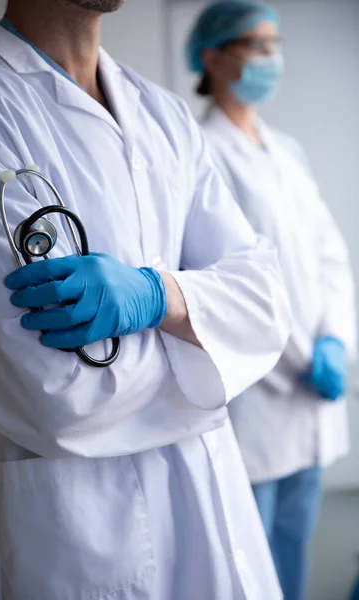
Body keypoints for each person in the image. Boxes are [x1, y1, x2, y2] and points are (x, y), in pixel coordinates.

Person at [0, 1, 292, 599]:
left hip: (214, 510)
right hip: (76, 542)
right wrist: (215, 350)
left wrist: (160, 296)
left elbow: (268, 303)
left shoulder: (161, 113)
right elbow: (63, 394)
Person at [186, 2, 357, 599]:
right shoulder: (200, 149)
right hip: (257, 388)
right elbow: (225, 278)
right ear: (212, 56)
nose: (271, 59)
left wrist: (334, 339)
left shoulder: (286, 150)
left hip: (314, 389)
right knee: (247, 558)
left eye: (274, 45)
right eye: (256, 46)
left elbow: (328, 254)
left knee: (294, 545)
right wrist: (299, 356)